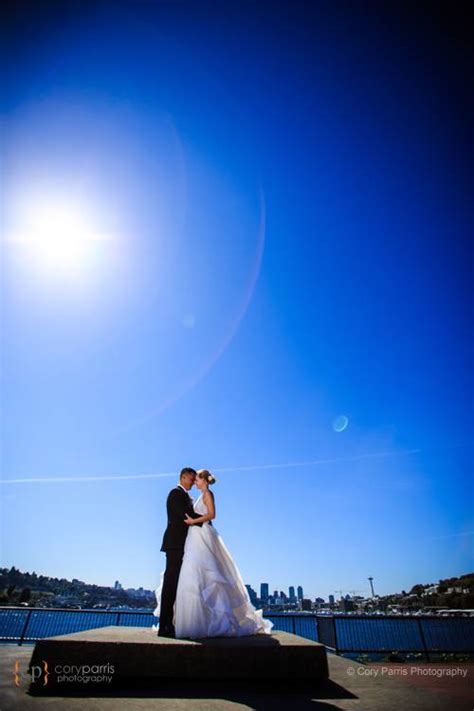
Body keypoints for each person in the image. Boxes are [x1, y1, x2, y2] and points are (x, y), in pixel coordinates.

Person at [173, 469, 273, 639]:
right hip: (195, 537)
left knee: (208, 573)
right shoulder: (201, 495)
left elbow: (212, 515)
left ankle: (210, 622)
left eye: (196, 479)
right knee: (194, 574)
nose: (195, 482)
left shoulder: (207, 494)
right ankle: (196, 622)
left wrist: (192, 521)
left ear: (203, 480)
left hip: (202, 534)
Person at [156, 467, 203, 637]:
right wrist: (205, 521)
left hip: (181, 545)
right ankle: (164, 626)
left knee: (175, 585)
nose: (192, 482)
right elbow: (186, 515)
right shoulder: (175, 494)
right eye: (191, 479)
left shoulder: (183, 495)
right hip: (175, 544)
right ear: (183, 477)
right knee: (170, 585)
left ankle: (171, 623)